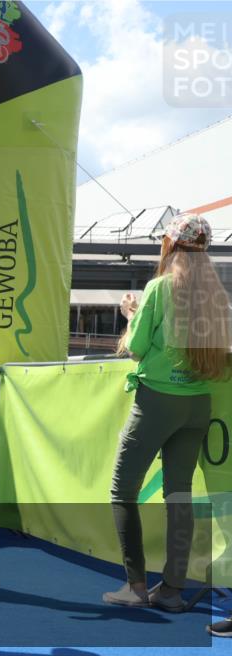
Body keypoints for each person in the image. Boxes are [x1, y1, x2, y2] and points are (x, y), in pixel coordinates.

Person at [103, 213, 231, 612]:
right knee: (179, 495)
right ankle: (172, 591)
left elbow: (136, 348)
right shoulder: (216, 296)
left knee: (122, 491)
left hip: (157, 401)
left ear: (170, 245)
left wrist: (131, 315)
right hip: (198, 404)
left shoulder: (159, 288)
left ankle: (136, 586)